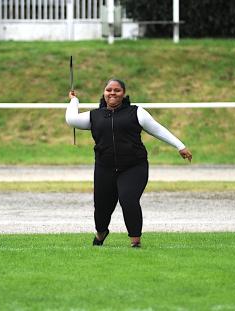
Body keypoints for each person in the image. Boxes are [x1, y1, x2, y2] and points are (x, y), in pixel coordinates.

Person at [66, 79, 192, 248]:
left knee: (129, 199)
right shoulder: (94, 115)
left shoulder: (136, 112)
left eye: (117, 90)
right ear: (104, 93)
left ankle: (135, 241)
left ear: (123, 93)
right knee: (102, 207)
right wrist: (74, 101)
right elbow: (71, 119)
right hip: (105, 168)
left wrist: (180, 146)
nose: (112, 93)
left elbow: (157, 129)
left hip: (134, 166)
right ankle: (101, 233)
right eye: (109, 89)